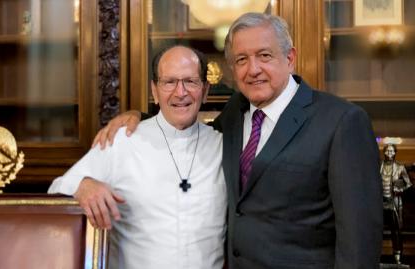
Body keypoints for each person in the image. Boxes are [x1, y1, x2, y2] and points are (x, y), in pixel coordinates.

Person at [93, 12, 384, 269]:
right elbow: (188, 136)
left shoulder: (341, 122)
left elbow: (359, 241)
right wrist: (137, 117)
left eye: (264, 56)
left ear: (290, 58)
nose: (253, 69)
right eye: (241, 59)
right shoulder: (235, 112)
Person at [48, 45, 227, 269]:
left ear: (206, 89)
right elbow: (57, 188)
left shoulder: (222, 145)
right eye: (169, 82)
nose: (180, 92)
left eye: (190, 81)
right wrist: (83, 185)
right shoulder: (122, 140)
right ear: (154, 90)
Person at [381, 143, 412, 264]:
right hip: (381, 202)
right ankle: (376, 254)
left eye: (392, 151)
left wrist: (400, 190)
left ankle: (397, 255)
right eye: (387, 151)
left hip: (393, 202)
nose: (389, 153)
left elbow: (408, 183)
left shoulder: (400, 167)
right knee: (377, 229)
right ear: (384, 152)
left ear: (395, 153)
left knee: (396, 231)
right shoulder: (380, 165)